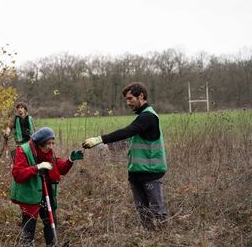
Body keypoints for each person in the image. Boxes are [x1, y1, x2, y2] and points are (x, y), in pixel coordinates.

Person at [82, 82, 168, 230]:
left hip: (151, 173)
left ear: (141, 96)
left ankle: (162, 238)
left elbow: (127, 132)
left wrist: (100, 139)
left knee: (157, 213)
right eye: (126, 100)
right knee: (143, 212)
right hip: (136, 172)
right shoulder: (141, 117)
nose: (128, 103)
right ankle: (149, 237)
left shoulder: (148, 117)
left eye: (130, 98)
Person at [11, 127, 84, 246]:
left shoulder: (50, 153)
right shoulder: (23, 151)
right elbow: (18, 175)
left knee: (51, 222)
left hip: (46, 191)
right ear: (40, 142)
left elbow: (60, 168)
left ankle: (52, 244)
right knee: (29, 225)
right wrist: (37, 167)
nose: (50, 146)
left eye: (51, 143)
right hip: (29, 193)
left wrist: (70, 160)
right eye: (47, 143)